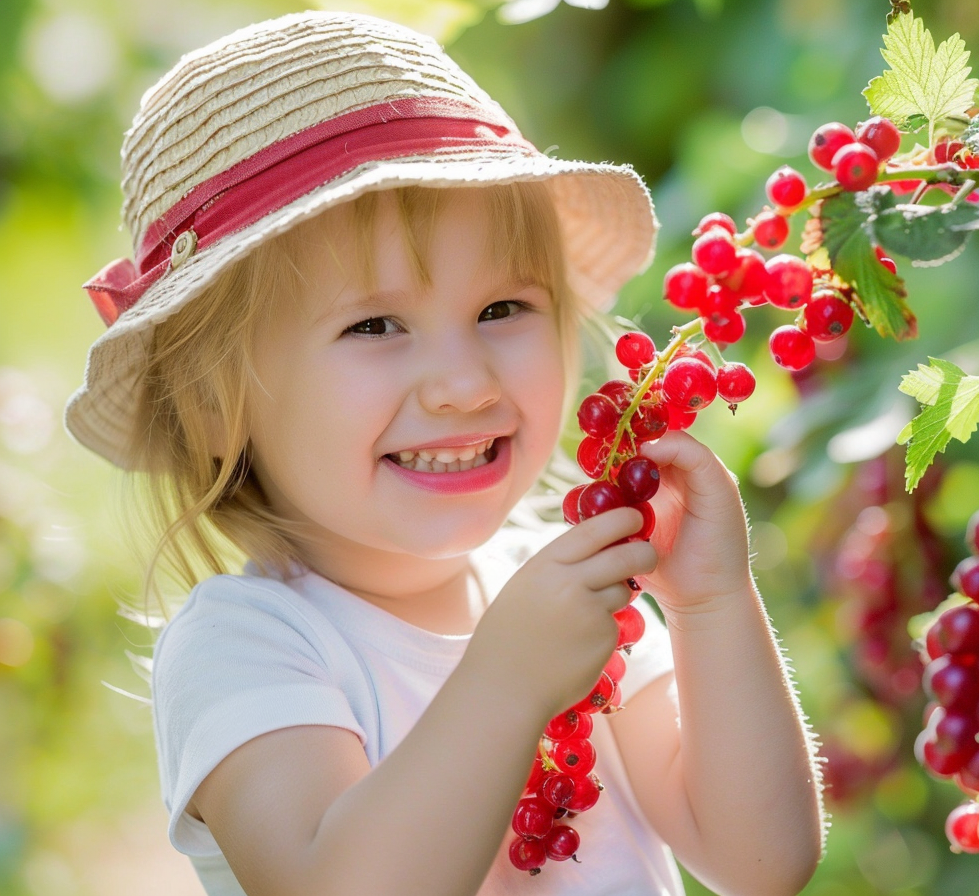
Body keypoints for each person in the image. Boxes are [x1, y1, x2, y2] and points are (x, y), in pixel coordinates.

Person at [64, 11, 825, 896]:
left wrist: (711, 606)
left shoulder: (570, 600)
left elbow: (764, 862)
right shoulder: (249, 647)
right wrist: (504, 684)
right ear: (210, 406)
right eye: (376, 325)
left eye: (503, 310)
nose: (464, 384)